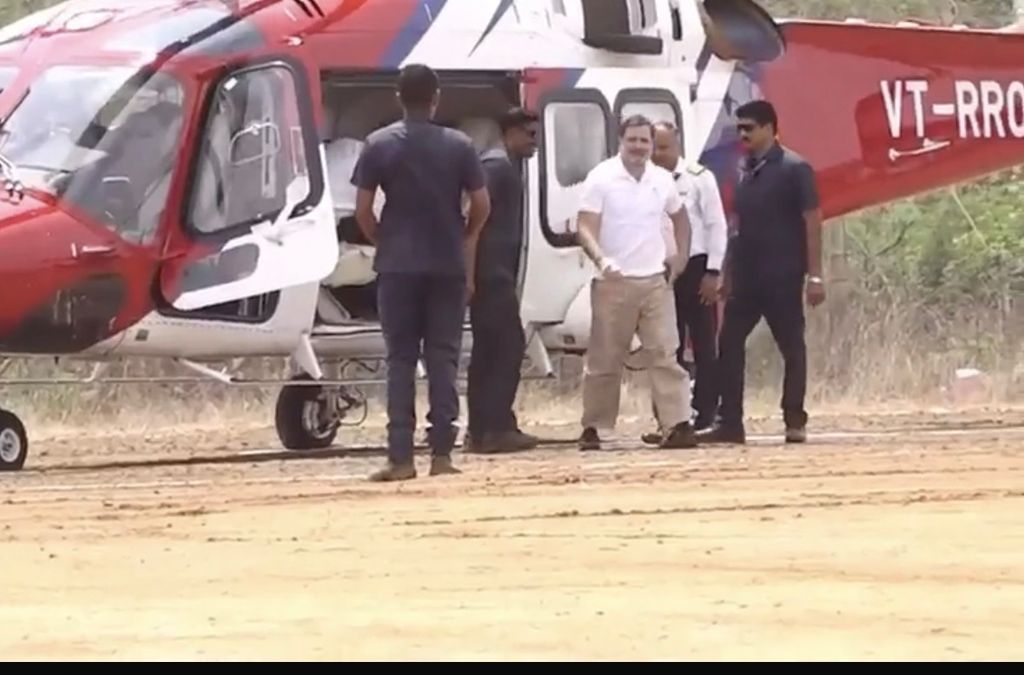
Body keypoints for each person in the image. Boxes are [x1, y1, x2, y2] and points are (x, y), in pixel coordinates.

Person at [350, 64, 491, 481]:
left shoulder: (378, 143)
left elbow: (363, 210)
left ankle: (400, 457)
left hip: (397, 266)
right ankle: (442, 454)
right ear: (436, 98)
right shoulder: (460, 145)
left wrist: (384, 240)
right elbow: (482, 203)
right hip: (446, 264)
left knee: (400, 359)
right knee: (443, 357)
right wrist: (466, 236)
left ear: (398, 97)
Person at [699, 99, 825, 445]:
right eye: (739, 128)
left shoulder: (795, 168)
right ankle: (729, 423)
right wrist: (727, 272)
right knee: (728, 344)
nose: (743, 135)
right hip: (747, 278)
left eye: (749, 128)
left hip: (782, 276)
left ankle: (794, 419)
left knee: (791, 348)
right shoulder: (745, 169)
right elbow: (736, 225)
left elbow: (812, 220)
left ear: (769, 128)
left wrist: (815, 275)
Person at [575, 114, 697, 451]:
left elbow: (681, 218)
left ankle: (677, 424)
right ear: (621, 141)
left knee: (665, 355)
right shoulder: (601, 178)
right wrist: (602, 259)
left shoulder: (661, 179)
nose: (639, 147)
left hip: (655, 282)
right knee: (605, 359)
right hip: (613, 283)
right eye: (633, 140)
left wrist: (680, 258)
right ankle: (596, 427)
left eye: (645, 141)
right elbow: (584, 227)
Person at [640, 120, 728, 444]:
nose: (658, 155)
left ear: (677, 145)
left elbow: (717, 225)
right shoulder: (642, 180)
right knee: (665, 347)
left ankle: (705, 414)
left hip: (696, 267)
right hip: (660, 269)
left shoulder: (699, 178)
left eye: (664, 147)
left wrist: (714, 272)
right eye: (654, 148)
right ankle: (670, 420)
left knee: (704, 346)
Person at [464, 107, 541, 454]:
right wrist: (470, 275)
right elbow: (474, 222)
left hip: (493, 273)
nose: (535, 143)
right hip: (491, 274)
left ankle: (481, 429)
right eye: (530, 135)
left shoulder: (500, 166)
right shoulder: (497, 169)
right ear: (511, 132)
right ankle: (495, 427)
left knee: (488, 351)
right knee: (507, 349)